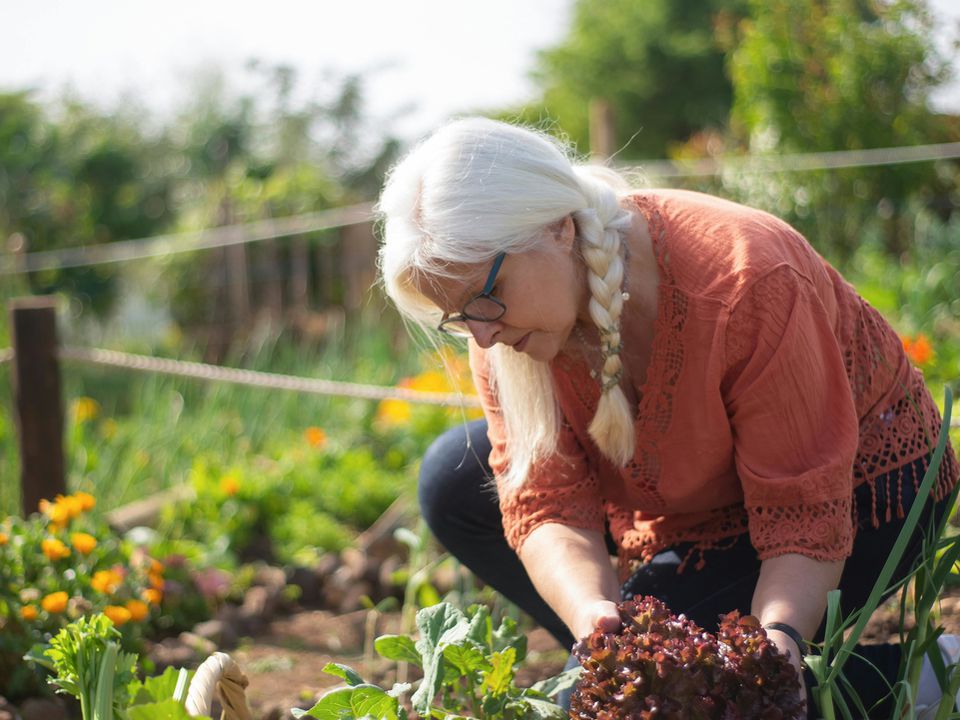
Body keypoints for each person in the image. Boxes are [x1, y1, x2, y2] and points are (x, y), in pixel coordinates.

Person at [376, 117, 959, 718]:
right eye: (457, 315)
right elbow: (546, 501)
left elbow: (802, 506)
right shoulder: (498, 323)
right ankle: (660, 663)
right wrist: (592, 618)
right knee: (453, 478)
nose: (480, 332)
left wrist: (772, 647)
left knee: (689, 699)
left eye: (482, 298)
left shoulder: (747, 277)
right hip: (696, 502)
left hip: (864, 493)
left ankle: (933, 674)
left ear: (555, 228)